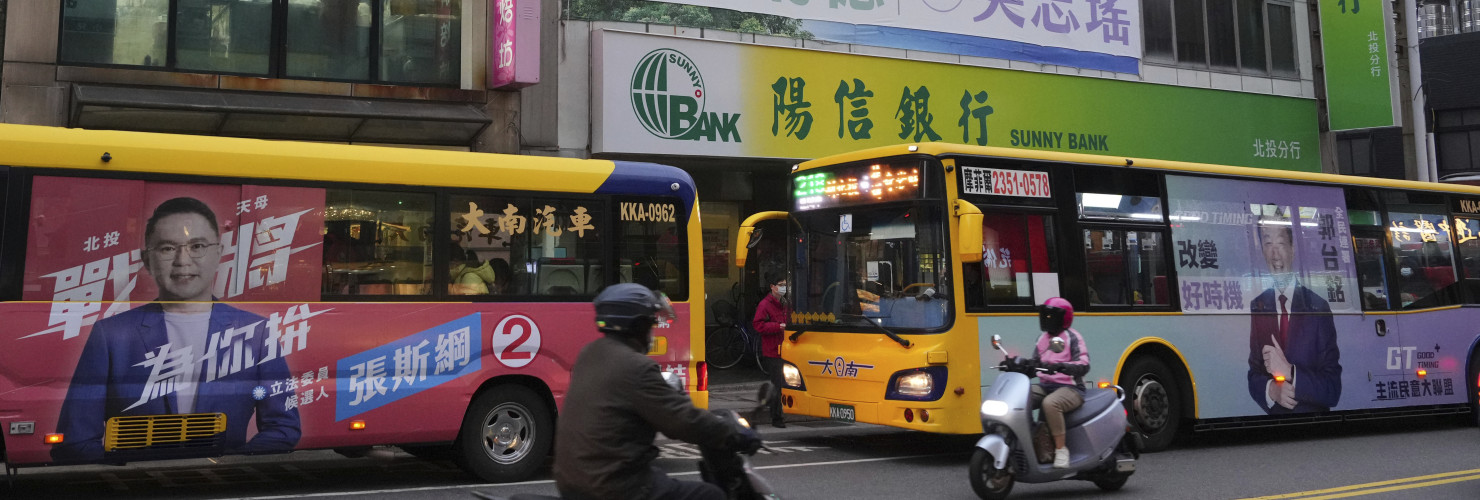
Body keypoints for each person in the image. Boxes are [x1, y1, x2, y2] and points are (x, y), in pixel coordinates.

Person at [53, 197, 301, 462]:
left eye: (198, 246)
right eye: (168, 248)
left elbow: (283, 426)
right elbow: (75, 441)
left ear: (219, 254)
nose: (183, 260)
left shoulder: (256, 332)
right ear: (147, 260)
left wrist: (233, 465)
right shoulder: (111, 335)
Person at [554, 283, 762, 500]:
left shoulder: (590, 354)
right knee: (710, 495)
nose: (652, 330)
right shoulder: (636, 367)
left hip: (574, 482)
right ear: (638, 326)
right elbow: (683, 421)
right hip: (615, 487)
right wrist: (733, 434)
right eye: (651, 323)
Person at [1245, 211, 1341, 414]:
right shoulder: (1259, 306)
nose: (1274, 254)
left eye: (1280, 243)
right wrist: (1271, 390)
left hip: (1314, 429)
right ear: (1262, 250)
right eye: (1268, 243)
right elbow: (1254, 372)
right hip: (1274, 429)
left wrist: (1290, 372)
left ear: (1292, 249)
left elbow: (1333, 389)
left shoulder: (1317, 307)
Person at [1026, 297, 1090, 469]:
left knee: (1050, 404)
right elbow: (1034, 363)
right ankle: (1029, 440)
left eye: (1051, 316)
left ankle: (1061, 450)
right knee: (1020, 399)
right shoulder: (1042, 338)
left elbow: (1084, 364)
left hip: (1071, 388)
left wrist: (1062, 366)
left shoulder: (1073, 337)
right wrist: (1018, 365)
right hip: (1046, 385)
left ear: (1064, 318)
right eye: (1044, 315)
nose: (1047, 319)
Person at [752, 272, 790, 428]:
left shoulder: (786, 303)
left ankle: (778, 413)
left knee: (784, 383)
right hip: (772, 350)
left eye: (785, 284)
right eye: (780, 285)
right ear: (772, 287)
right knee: (777, 384)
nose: (784, 287)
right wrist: (777, 326)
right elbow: (758, 325)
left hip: (787, 348)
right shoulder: (765, 305)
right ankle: (776, 417)